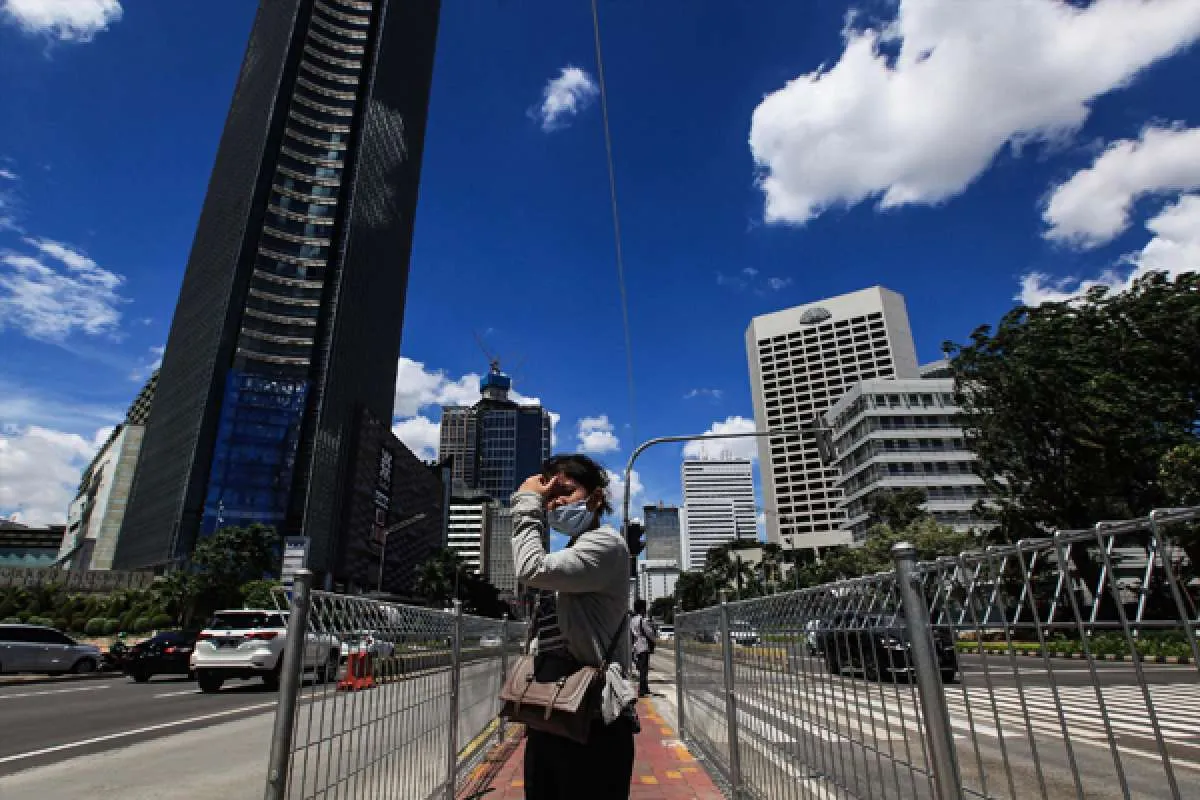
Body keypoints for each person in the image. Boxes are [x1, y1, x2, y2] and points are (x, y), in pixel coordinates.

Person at [511, 453, 637, 800]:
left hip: (592, 721)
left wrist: (527, 501)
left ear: (595, 498)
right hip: (554, 714)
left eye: (566, 491)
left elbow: (530, 568)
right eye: (550, 497)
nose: (555, 503)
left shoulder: (605, 545)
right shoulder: (573, 550)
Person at [630, 599, 657, 697]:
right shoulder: (643, 620)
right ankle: (642, 690)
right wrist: (654, 640)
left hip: (636, 645)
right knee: (644, 669)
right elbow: (649, 633)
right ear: (642, 609)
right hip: (643, 645)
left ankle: (645, 688)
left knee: (641, 668)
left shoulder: (632, 620)